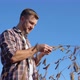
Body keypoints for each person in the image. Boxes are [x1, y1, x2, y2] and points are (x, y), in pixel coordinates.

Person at [0, 8, 53, 80]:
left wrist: (41, 54)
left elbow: (30, 64)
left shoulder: (27, 41)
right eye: (31, 23)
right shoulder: (8, 34)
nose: (32, 27)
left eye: (35, 25)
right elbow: (13, 57)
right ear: (22, 19)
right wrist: (36, 48)